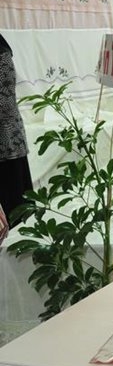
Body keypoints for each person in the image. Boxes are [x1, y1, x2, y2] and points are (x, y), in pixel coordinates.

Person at [0, 32, 33, 226]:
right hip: (8, 143)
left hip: (6, 145)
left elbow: (4, 101)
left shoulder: (1, 53)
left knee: (14, 218)